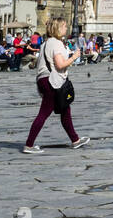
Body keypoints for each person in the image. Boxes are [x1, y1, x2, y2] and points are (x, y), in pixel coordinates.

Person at [23, 18, 89, 154]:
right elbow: (59, 65)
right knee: (43, 114)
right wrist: (74, 57)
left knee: (65, 110)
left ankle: (75, 140)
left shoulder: (46, 44)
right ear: (58, 28)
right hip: (52, 82)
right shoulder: (57, 44)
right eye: (64, 26)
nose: (66, 28)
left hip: (43, 80)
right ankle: (29, 145)